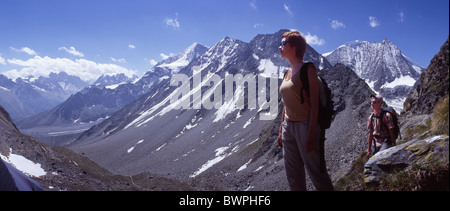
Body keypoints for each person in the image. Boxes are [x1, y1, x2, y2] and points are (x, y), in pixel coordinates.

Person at [276, 31, 334, 191]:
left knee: (317, 173)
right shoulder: (286, 73)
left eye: (283, 43)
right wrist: (281, 130)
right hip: (289, 127)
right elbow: (286, 105)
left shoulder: (308, 69)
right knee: (293, 177)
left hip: (306, 126)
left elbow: (315, 104)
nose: (279, 47)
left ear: (294, 47)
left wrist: (310, 135)